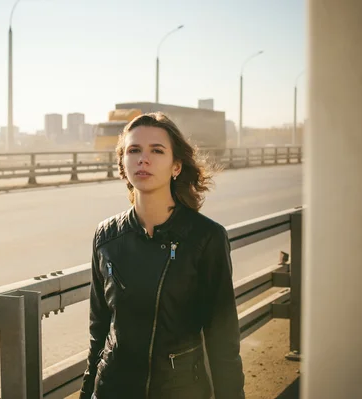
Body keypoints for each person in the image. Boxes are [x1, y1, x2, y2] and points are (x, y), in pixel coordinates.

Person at [79, 112, 245, 399]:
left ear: (176, 165)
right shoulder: (106, 236)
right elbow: (99, 331)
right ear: (123, 163)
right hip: (112, 390)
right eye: (134, 150)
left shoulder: (206, 238)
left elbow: (223, 342)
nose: (144, 159)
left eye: (157, 150)